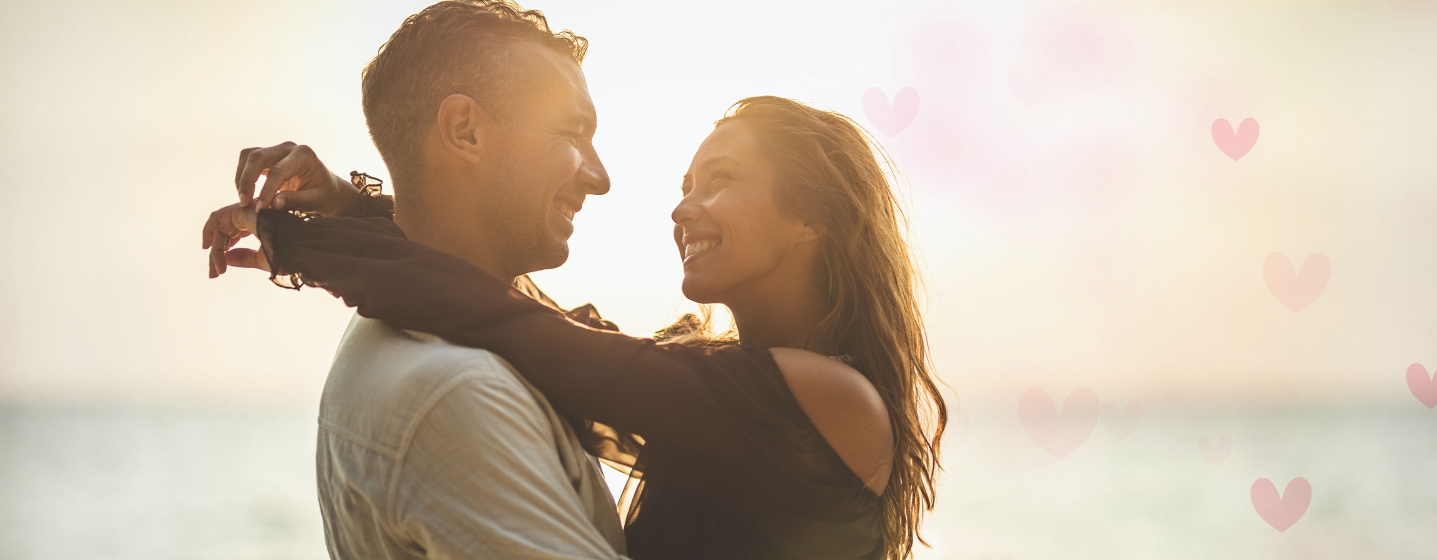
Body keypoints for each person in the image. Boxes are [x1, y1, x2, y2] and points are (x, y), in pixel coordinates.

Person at [205, 25, 945, 555]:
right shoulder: (712, 374)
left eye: (720, 183)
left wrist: (300, 240)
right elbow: (524, 319)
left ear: (810, 216)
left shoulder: (839, 405)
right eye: (685, 184)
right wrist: (347, 203)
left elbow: (515, 325)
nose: (682, 207)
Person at [202, 1, 627, 558]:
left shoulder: (435, 324)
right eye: (572, 134)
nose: (600, 179)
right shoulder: (461, 396)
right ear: (465, 131)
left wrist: (354, 208)